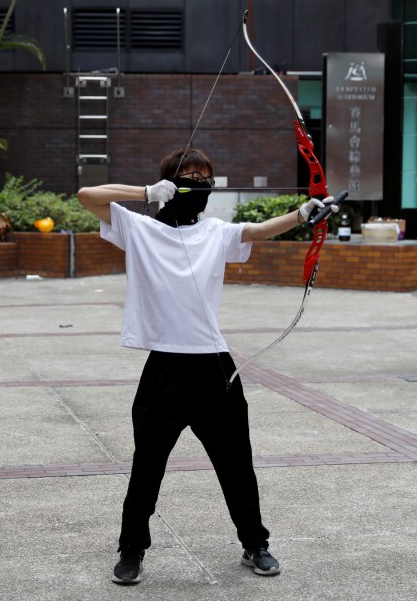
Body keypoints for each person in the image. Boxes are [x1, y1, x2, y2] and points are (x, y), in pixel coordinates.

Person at [77, 147, 337, 586]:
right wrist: (146, 192)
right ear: (169, 183)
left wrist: (303, 212)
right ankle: (131, 550)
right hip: (164, 368)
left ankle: (255, 544)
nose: (199, 183)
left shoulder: (216, 232)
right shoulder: (137, 228)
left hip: (214, 367)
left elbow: (257, 230)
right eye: (189, 175)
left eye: (205, 177)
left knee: (236, 462)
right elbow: (86, 194)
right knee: (148, 465)